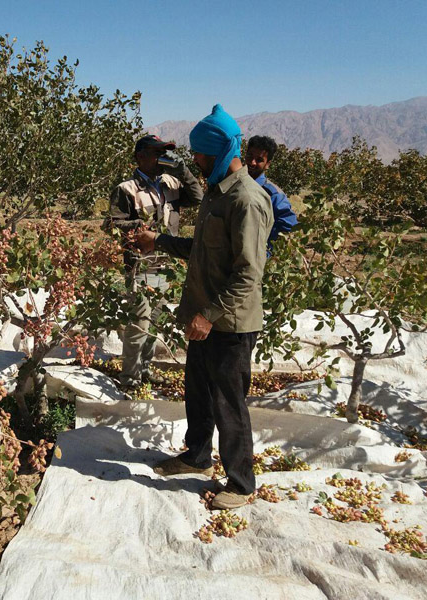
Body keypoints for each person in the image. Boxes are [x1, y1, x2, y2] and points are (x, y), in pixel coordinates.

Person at [135, 105, 273, 510]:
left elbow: (248, 273)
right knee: (197, 392)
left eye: (200, 155)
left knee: (229, 402)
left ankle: (241, 484)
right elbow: (200, 250)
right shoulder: (216, 194)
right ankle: (197, 455)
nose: (194, 162)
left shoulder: (246, 200)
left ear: (220, 151)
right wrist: (157, 241)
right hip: (204, 320)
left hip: (227, 323)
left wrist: (208, 315)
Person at [106, 135, 203, 391]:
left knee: (156, 322)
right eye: (156, 153)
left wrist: (184, 171)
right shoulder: (126, 189)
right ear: (140, 157)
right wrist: (139, 226)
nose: (162, 158)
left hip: (165, 266)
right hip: (140, 265)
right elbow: (111, 225)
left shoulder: (171, 183)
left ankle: (145, 370)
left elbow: (198, 197)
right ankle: (130, 379)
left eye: (165, 153)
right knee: (140, 323)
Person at [244, 135, 298, 246]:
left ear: (267, 164)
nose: (252, 162)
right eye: (250, 156)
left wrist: (266, 249)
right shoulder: (235, 185)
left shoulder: (273, 194)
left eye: (259, 160)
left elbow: (289, 226)